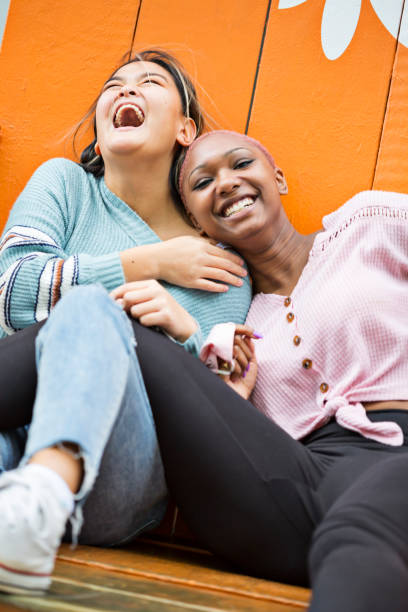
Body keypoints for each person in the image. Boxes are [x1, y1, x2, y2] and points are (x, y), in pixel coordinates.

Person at [0, 63, 252, 593]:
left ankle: (44, 495)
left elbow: (219, 416)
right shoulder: (64, 183)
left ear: (185, 130)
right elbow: (9, 293)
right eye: (113, 84)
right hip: (11, 440)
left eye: (150, 82)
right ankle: (24, 512)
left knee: (91, 306)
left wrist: (184, 335)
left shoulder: (220, 266)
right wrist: (152, 261)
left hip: (120, 483)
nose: (126, 89)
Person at [134, 129, 407, 612]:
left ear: (276, 177)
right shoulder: (237, 329)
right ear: (198, 225)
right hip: (300, 490)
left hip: (393, 464)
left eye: (241, 164)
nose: (225, 183)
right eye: (202, 183)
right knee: (124, 332)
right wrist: (235, 402)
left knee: (358, 532)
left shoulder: (369, 223)